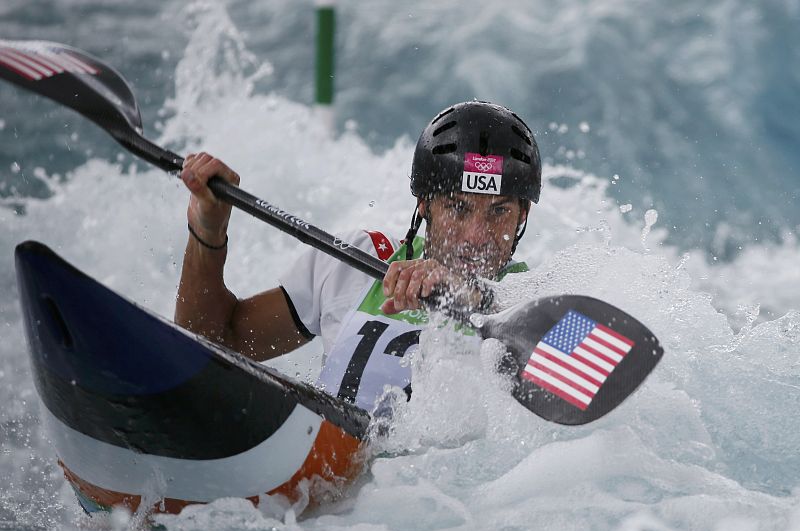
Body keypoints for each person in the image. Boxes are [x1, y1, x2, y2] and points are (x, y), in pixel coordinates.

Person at [175, 101, 542, 411]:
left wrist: (465, 293)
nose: (476, 237)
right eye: (458, 209)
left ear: (522, 216)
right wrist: (207, 232)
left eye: (498, 212)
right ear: (425, 206)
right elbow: (214, 345)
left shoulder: (534, 302)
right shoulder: (357, 261)